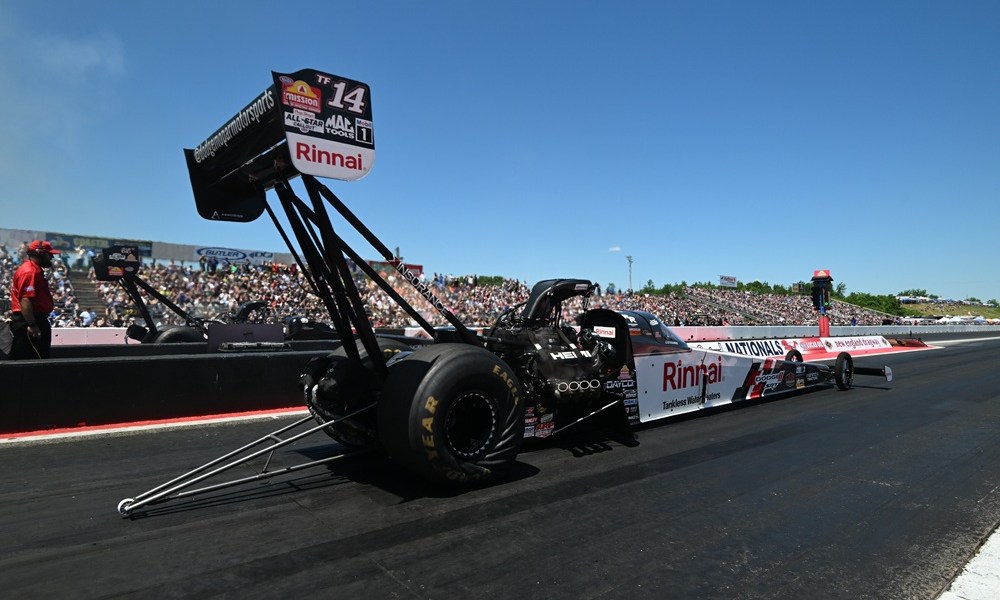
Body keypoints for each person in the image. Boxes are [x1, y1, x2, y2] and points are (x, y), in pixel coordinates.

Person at [9, 240, 61, 359]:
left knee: (38, 359)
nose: (52, 257)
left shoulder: (34, 270)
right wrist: (32, 324)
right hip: (29, 321)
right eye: (49, 254)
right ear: (39, 253)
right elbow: (25, 299)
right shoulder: (29, 272)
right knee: (32, 361)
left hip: (34, 319)